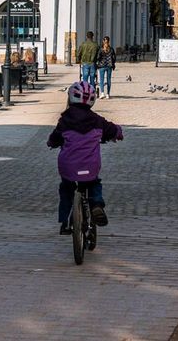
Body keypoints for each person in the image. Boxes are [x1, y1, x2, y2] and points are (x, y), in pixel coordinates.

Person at [47, 81, 123, 234]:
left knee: (67, 189)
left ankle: (65, 221)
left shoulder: (65, 120)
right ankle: (96, 205)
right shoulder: (97, 120)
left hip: (68, 166)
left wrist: (51, 142)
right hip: (90, 165)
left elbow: (54, 138)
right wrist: (118, 134)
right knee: (94, 183)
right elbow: (113, 130)